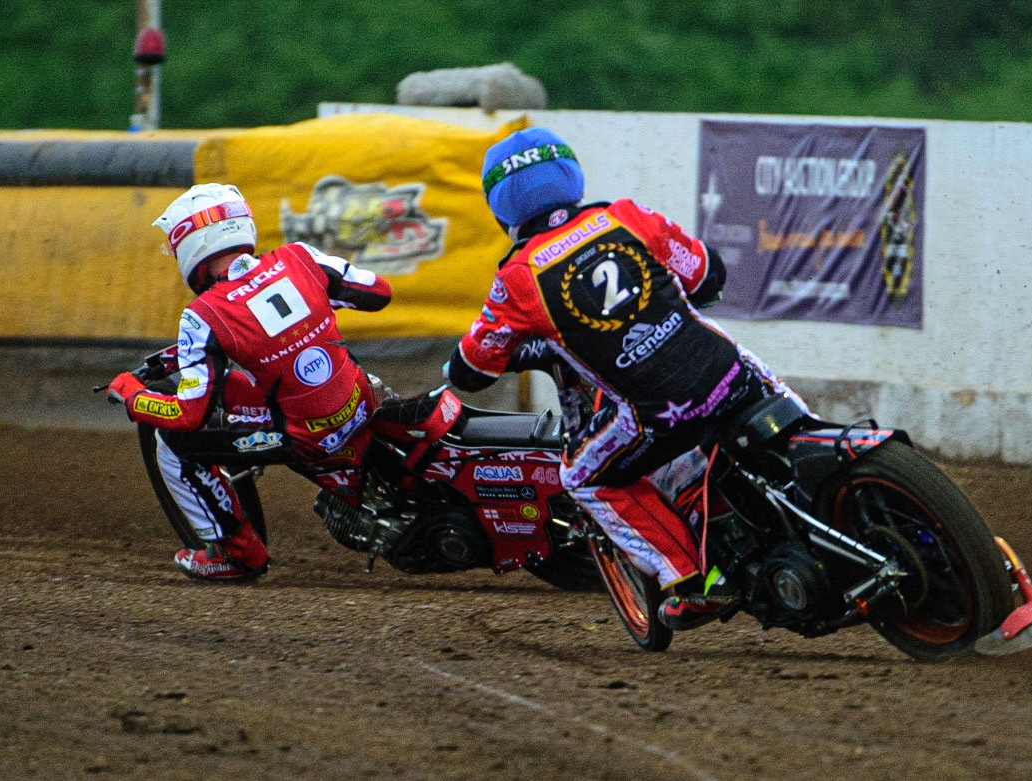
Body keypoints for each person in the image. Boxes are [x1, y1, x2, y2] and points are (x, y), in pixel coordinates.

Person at [445, 128, 810, 630]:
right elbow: (707, 276)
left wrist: (457, 366)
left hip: (661, 416)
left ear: (500, 208)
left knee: (581, 475)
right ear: (570, 176)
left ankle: (691, 578)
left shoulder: (517, 278)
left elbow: (474, 369)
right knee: (800, 425)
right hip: (731, 372)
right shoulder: (625, 216)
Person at [107, 183, 393, 581]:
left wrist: (135, 397)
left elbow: (190, 414)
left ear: (191, 245)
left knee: (172, 443)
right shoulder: (299, 257)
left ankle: (239, 556)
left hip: (304, 436)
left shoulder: (202, 314)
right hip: (361, 402)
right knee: (240, 387)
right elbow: (378, 292)